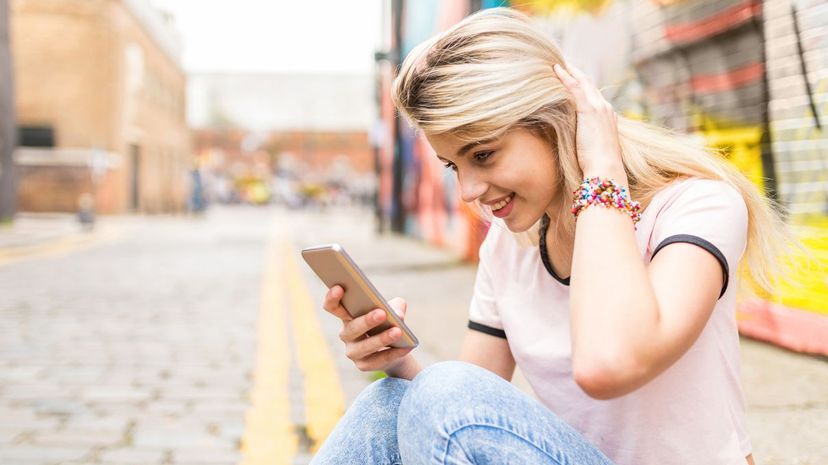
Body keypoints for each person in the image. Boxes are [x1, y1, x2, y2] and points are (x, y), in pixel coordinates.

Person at [311, 8, 792, 465]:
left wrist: (602, 174)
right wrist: (396, 359)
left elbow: (610, 363)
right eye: (453, 165)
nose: (469, 191)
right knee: (389, 400)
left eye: (483, 155)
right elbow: (460, 414)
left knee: (442, 389)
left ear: (555, 121)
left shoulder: (696, 207)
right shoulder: (508, 245)